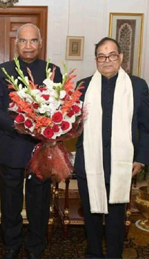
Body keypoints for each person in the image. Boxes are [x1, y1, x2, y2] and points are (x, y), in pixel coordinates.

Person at [0, 23, 62, 259]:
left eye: (33, 41)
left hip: (42, 149)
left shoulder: (53, 71)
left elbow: (61, 107)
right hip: (12, 146)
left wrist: (47, 127)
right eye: (23, 41)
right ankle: (11, 245)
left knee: (38, 203)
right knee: (10, 203)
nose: (28, 46)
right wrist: (20, 126)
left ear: (40, 44)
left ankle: (35, 248)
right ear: (16, 43)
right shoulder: (3, 70)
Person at [74, 37, 149, 258]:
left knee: (117, 215)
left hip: (122, 162)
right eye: (102, 56)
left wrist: (141, 158)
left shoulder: (137, 86)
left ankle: (114, 254)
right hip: (89, 161)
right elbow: (71, 125)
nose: (107, 60)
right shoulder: (83, 86)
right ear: (96, 59)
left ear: (121, 58)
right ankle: (94, 254)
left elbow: (146, 127)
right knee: (91, 214)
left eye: (112, 55)